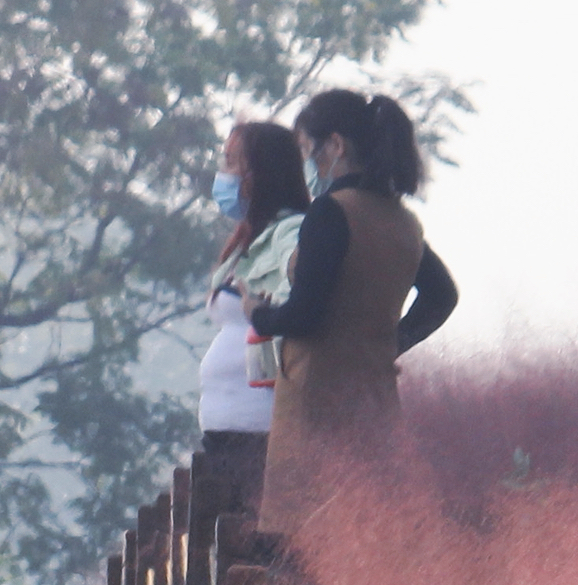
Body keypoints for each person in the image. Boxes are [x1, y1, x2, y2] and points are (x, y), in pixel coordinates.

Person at [249, 88, 460, 533]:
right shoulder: (403, 221)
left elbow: (305, 313)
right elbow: (442, 297)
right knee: (364, 530)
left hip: (313, 405)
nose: (308, 164)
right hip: (374, 404)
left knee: (296, 544)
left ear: (337, 146)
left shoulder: (330, 213)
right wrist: (390, 344)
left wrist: (259, 315)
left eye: (309, 150)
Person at [194, 119, 314, 519]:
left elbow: (299, 288)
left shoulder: (292, 232)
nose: (222, 175)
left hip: (259, 426)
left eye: (231, 163)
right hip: (224, 425)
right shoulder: (244, 241)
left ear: (260, 172)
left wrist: (266, 305)